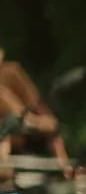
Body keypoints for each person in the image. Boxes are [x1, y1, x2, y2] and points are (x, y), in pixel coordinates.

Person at [0, 47, 73, 176]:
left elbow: (36, 106)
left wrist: (39, 121)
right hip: (10, 131)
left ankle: (66, 172)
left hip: (18, 128)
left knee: (52, 128)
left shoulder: (10, 72)